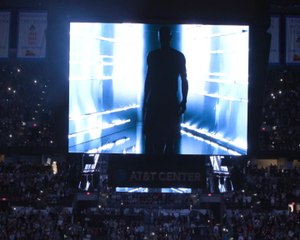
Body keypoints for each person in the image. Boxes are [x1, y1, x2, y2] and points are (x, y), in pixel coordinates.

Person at [143, 26, 188, 154]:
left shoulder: (153, 56)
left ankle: (150, 167)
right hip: (169, 102)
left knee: (152, 139)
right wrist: (184, 100)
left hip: (155, 101)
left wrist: (145, 100)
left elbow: (149, 80)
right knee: (169, 140)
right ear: (170, 37)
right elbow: (184, 80)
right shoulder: (178, 56)